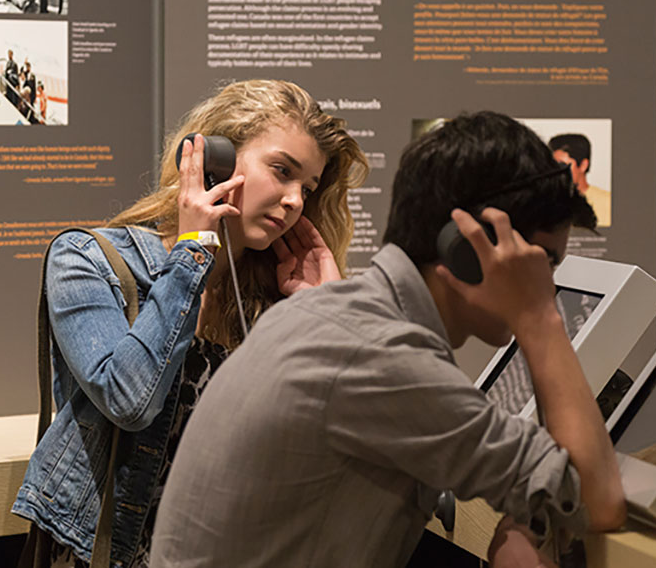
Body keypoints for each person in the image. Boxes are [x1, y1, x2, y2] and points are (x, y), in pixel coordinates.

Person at [151, 111, 624, 568]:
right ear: (469, 250)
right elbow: (594, 500)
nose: (547, 283)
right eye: (544, 266)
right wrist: (540, 317)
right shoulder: (378, 356)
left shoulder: (338, 321)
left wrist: (523, 521)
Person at [11, 79, 369, 567]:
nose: (294, 201)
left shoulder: (270, 301)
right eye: (281, 171)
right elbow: (130, 399)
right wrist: (194, 251)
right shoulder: (89, 259)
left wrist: (325, 315)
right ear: (211, 161)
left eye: (306, 187)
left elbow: (335, 449)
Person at [548, 133, 611, 227]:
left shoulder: (608, 203)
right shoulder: (543, 203)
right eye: (552, 165)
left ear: (583, 165)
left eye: (563, 165)